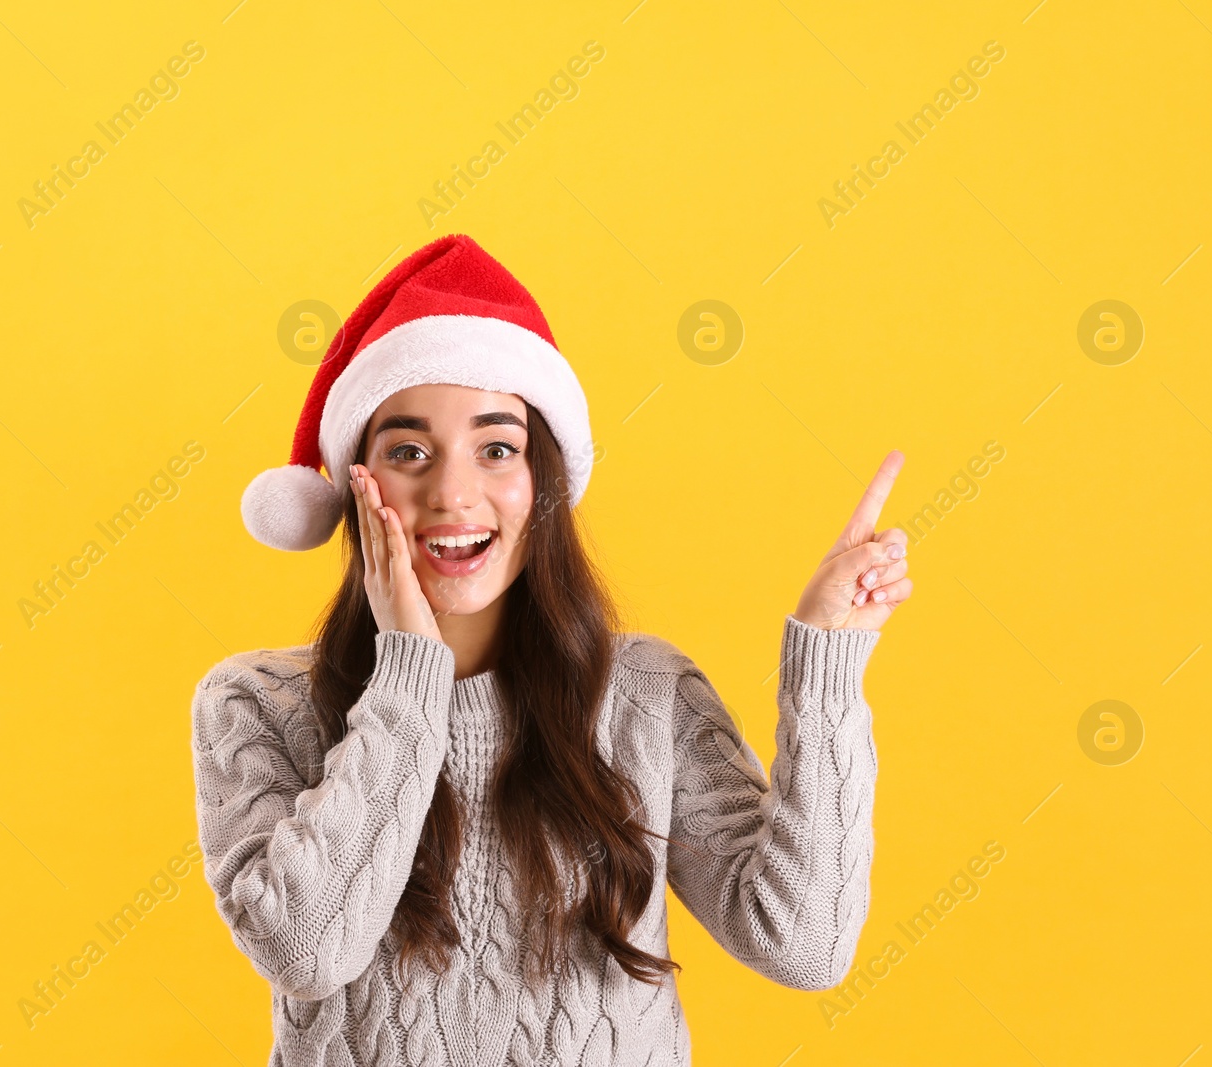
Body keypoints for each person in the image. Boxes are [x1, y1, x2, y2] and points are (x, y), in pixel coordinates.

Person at [190, 233, 912, 1065]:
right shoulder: (253, 703)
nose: (453, 492)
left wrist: (827, 670)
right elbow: (306, 951)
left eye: (498, 447)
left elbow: (802, 944)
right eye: (407, 451)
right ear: (357, 481)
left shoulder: (647, 694)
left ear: (546, 481)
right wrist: (410, 679)